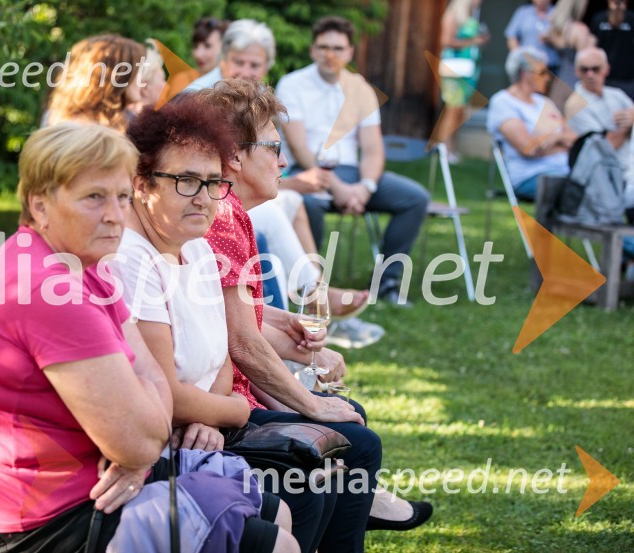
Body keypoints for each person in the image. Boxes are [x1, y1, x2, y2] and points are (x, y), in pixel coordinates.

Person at [0, 122, 297, 552]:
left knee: (275, 510)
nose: (114, 214)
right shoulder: (50, 291)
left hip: (95, 482)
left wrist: (141, 434)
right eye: (94, 197)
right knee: (277, 543)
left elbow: (154, 403)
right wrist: (139, 441)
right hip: (42, 520)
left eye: (122, 196)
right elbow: (143, 434)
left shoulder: (90, 265)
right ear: (39, 204)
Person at [196, 79, 433, 552]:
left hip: (228, 399)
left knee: (349, 428)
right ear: (236, 158)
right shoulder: (223, 215)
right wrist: (311, 403)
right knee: (353, 440)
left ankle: (354, 514)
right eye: (275, 148)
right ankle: (353, 520)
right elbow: (238, 341)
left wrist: (284, 325)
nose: (284, 162)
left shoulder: (232, 212)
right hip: (214, 413)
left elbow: (237, 318)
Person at [107, 93, 332, 553]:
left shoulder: (197, 249)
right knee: (306, 486)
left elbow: (222, 359)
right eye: (187, 181)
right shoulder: (131, 262)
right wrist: (232, 410)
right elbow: (165, 393)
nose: (206, 199)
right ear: (141, 183)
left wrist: (212, 409)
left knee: (315, 480)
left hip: (197, 433)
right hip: (152, 456)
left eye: (214, 183)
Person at [185, 18, 381, 347]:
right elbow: (212, 172)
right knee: (278, 211)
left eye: (255, 64)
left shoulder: (257, 99)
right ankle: (313, 301)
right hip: (209, 199)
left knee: (294, 203)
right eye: (239, 62)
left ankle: (312, 297)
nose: (246, 70)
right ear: (223, 60)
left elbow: (266, 160)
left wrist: (294, 184)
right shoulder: (201, 98)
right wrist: (295, 182)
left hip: (239, 189)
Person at [277, 16, 430, 306]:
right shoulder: (293, 84)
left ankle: (387, 282)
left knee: (415, 198)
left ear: (349, 53)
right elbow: (298, 147)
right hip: (307, 170)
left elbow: (373, 149)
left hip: (353, 174)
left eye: (337, 47)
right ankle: (309, 286)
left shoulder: (360, 89)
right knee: (305, 203)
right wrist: (338, 188)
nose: (329, 54)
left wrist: (366, 187)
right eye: (323, 47)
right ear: (312, 50)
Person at [486, 46, 575, 200]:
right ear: (525, 74)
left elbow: (574, 139)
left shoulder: (544, 102)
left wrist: (555, 139)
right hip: (530, 176)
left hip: (565, 172)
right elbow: (529, 148)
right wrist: (561, 144)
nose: (548, 78)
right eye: (542, 72)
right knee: (584, 191)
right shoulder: (503, 102)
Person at [565, 47, 634, 216]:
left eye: (595, 69)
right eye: (584, 69)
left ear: (606, 69)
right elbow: (603, 149)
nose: (590, 74)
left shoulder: (616, 95)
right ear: (576, 71)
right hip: (608, 177)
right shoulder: (576, 105)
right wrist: (627, 126)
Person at [46, 34, 147, 132]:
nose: (142, 80)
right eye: (138, 71)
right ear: (117, 77)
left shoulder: (115, 125)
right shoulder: (80, 133)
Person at [437, 0, 490, 163]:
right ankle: (442, 147)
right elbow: (446, 41)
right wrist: (475, 41)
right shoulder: (453, 15)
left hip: (468, 70)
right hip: (454, 70)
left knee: (459, 111)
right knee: (453, 109)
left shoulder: (469, 16)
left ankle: (451, 147)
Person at [545, 0, 596, 109]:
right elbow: (585, 60)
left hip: (559, 80)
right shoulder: (580, 29)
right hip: (576, 82)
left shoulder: (555, 28)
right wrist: (592, 42)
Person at [590, 0, 634, 100]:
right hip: (604, 77)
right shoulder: (599, 19)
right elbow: (593, 46)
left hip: (627, 78)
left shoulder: (631, 18)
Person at [505, 0, 559, 74]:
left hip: (551, 68)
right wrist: (519, 57)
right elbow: (512, 37)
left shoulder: (558, 13)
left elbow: (566, 41)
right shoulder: (523, 12)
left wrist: (552, 39)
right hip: (527, 68)